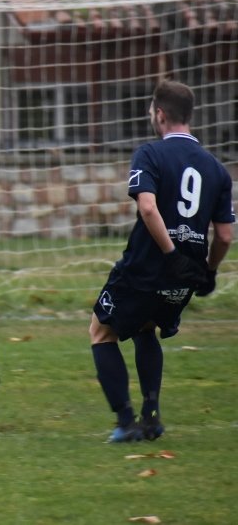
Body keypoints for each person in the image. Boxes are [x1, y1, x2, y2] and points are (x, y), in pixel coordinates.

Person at [90, 80, 234, 443]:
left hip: (147, 266)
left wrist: (169, 253)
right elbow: (226, 235)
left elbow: (148, 206)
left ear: (161, 114)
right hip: (185, 274)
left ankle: (126, 422)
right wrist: (209, 272)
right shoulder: (217, 170)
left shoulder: (149, 153)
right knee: (145, 328)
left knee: (101, 332)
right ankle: (151, 415)